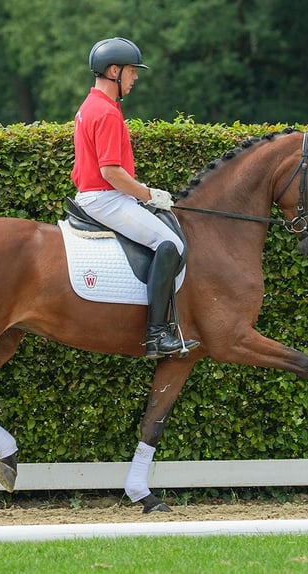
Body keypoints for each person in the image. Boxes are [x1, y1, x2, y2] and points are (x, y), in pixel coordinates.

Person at [71, 37, 199, 359]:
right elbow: (111, 171)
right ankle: (157, 335)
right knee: (171, 244)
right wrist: (149, 195)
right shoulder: (107, 113)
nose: (135, 78)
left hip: (96, 195)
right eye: (131, 71)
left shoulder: (90, 107)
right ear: (114, 71)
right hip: (106, 198)